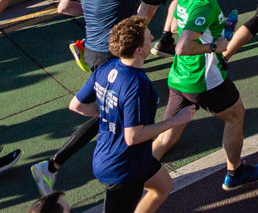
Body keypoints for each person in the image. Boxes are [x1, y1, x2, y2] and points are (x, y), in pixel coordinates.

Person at [151, 0, 258, 190]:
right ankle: (235, 174)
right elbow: (181, 47)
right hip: (204, 80)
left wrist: (216, 29)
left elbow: (173, 27)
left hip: (178, 78)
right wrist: (214, 45)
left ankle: (136, 174)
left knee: (169, 133)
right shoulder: (204, 6)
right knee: (236, 116)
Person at [38, 0, 141, 192]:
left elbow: (63, 8)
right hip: (115, 54)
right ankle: (51, 165)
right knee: (111, 111)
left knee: (116, 108)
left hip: (95, 51)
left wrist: (92, 8)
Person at [67, 17, 190, 213]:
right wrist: (175, 121)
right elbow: (133, 137)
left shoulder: (107, 67)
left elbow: (76, 105)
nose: (152, 35)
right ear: (139, 50)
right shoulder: (138, 84)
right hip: (124, 167)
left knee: (162, 186)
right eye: (147, 36)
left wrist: (109, 112)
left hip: (114, 155)